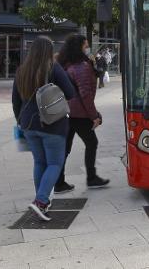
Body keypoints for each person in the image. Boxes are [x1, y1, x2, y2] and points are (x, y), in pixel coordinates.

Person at [12, 36, 76, 221]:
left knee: (40, 162)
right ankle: (41, 201)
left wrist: (21, 121)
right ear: (48, 51)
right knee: (55, 163)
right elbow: (70, 93)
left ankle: (42, 204)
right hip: (52, 124)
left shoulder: (21, 71)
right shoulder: (53, 68)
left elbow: (15, 101)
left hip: (28, 125)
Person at [54, 34, 110, 194]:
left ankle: (59, 182)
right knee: (92, 143)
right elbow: (85, 95)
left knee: (65, 147)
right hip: (78, 113)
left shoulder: (65, 64)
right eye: (85, 46)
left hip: (65, 112)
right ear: (79, 47)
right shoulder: (82, 67)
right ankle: (91, 178)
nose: (88, 49)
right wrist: (94, 116)